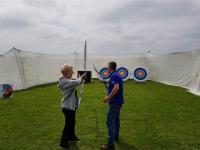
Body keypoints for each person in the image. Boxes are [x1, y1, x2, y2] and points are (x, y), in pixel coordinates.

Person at [58, 64, 85, 150]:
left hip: (70, 107)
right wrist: (82, 77)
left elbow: (75, 81)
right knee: (68, 125)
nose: (73, 72)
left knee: (72, 122)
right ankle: (63, 143)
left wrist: (80, 78)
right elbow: (76, 82)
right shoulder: (65, 82)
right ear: (67, 72)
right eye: (71, 71)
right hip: (67, 107)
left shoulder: (66, 80)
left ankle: (71, 136)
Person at [101, 61, 124, 150]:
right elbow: (113, 87)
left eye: (107, 67)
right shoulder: (115, 75)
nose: (107, 68)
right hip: (118, 102)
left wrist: (108, 98)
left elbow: (116, 88)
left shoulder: (114, 75)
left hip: (115, 102)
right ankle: (115, 137)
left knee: (109, 121)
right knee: (116, 120)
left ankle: (110, 145)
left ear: (110, 68)